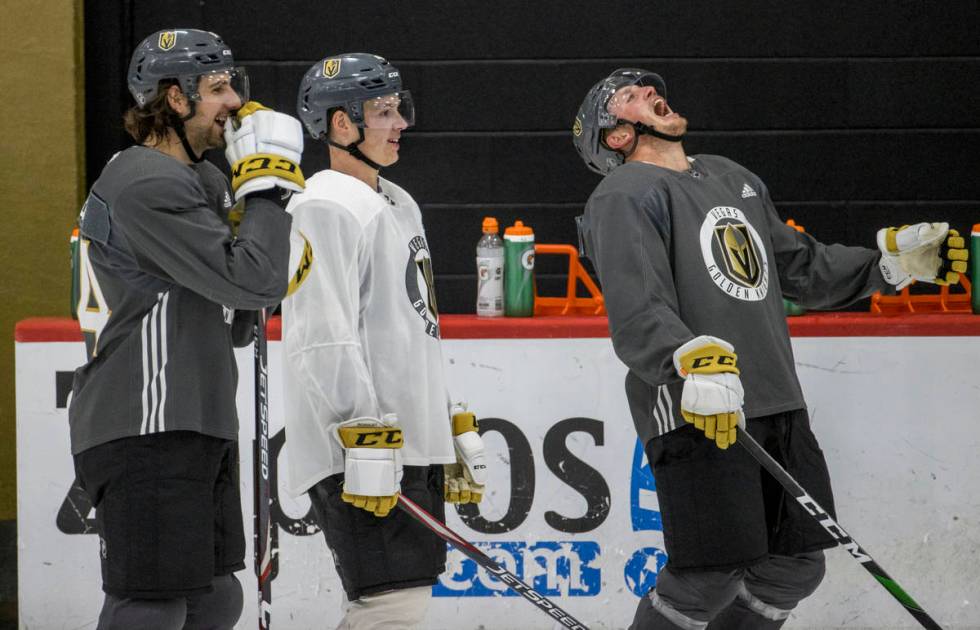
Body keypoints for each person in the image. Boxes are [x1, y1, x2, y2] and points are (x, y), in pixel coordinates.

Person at [571, 68, 967, 630]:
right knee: (709, 573)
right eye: (630, 97)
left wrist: (888, 265)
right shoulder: (624, 194)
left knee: (795, 565)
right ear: (615, 136)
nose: (651, 94)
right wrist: (686, 359)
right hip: (698, 407)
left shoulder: (733, 179)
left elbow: (798, 266)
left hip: (775, 398)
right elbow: (638, 306)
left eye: (650, 88)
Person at [69, 28, 306, 630]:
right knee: (152, 605)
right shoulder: (146, 180)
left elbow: (239, 317)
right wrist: (269, 193)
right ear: (173, 99)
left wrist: (257, 209)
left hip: (190, 417)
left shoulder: (194, 181)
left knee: (213, 599)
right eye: (218, 88)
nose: (235, 103)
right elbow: (250, 281)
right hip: (146, 421)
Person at [281, 52, 488, 629]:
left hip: (400, 442)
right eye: (383, 111)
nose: (401, 123)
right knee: (389, 604)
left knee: (403, 599)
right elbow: (320, 334)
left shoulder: (397, 201)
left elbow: (410, 328)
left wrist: (437, 426)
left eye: (399, 108)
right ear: (340, 124)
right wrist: (360, 433)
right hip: (362, 445)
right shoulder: (323, 203)